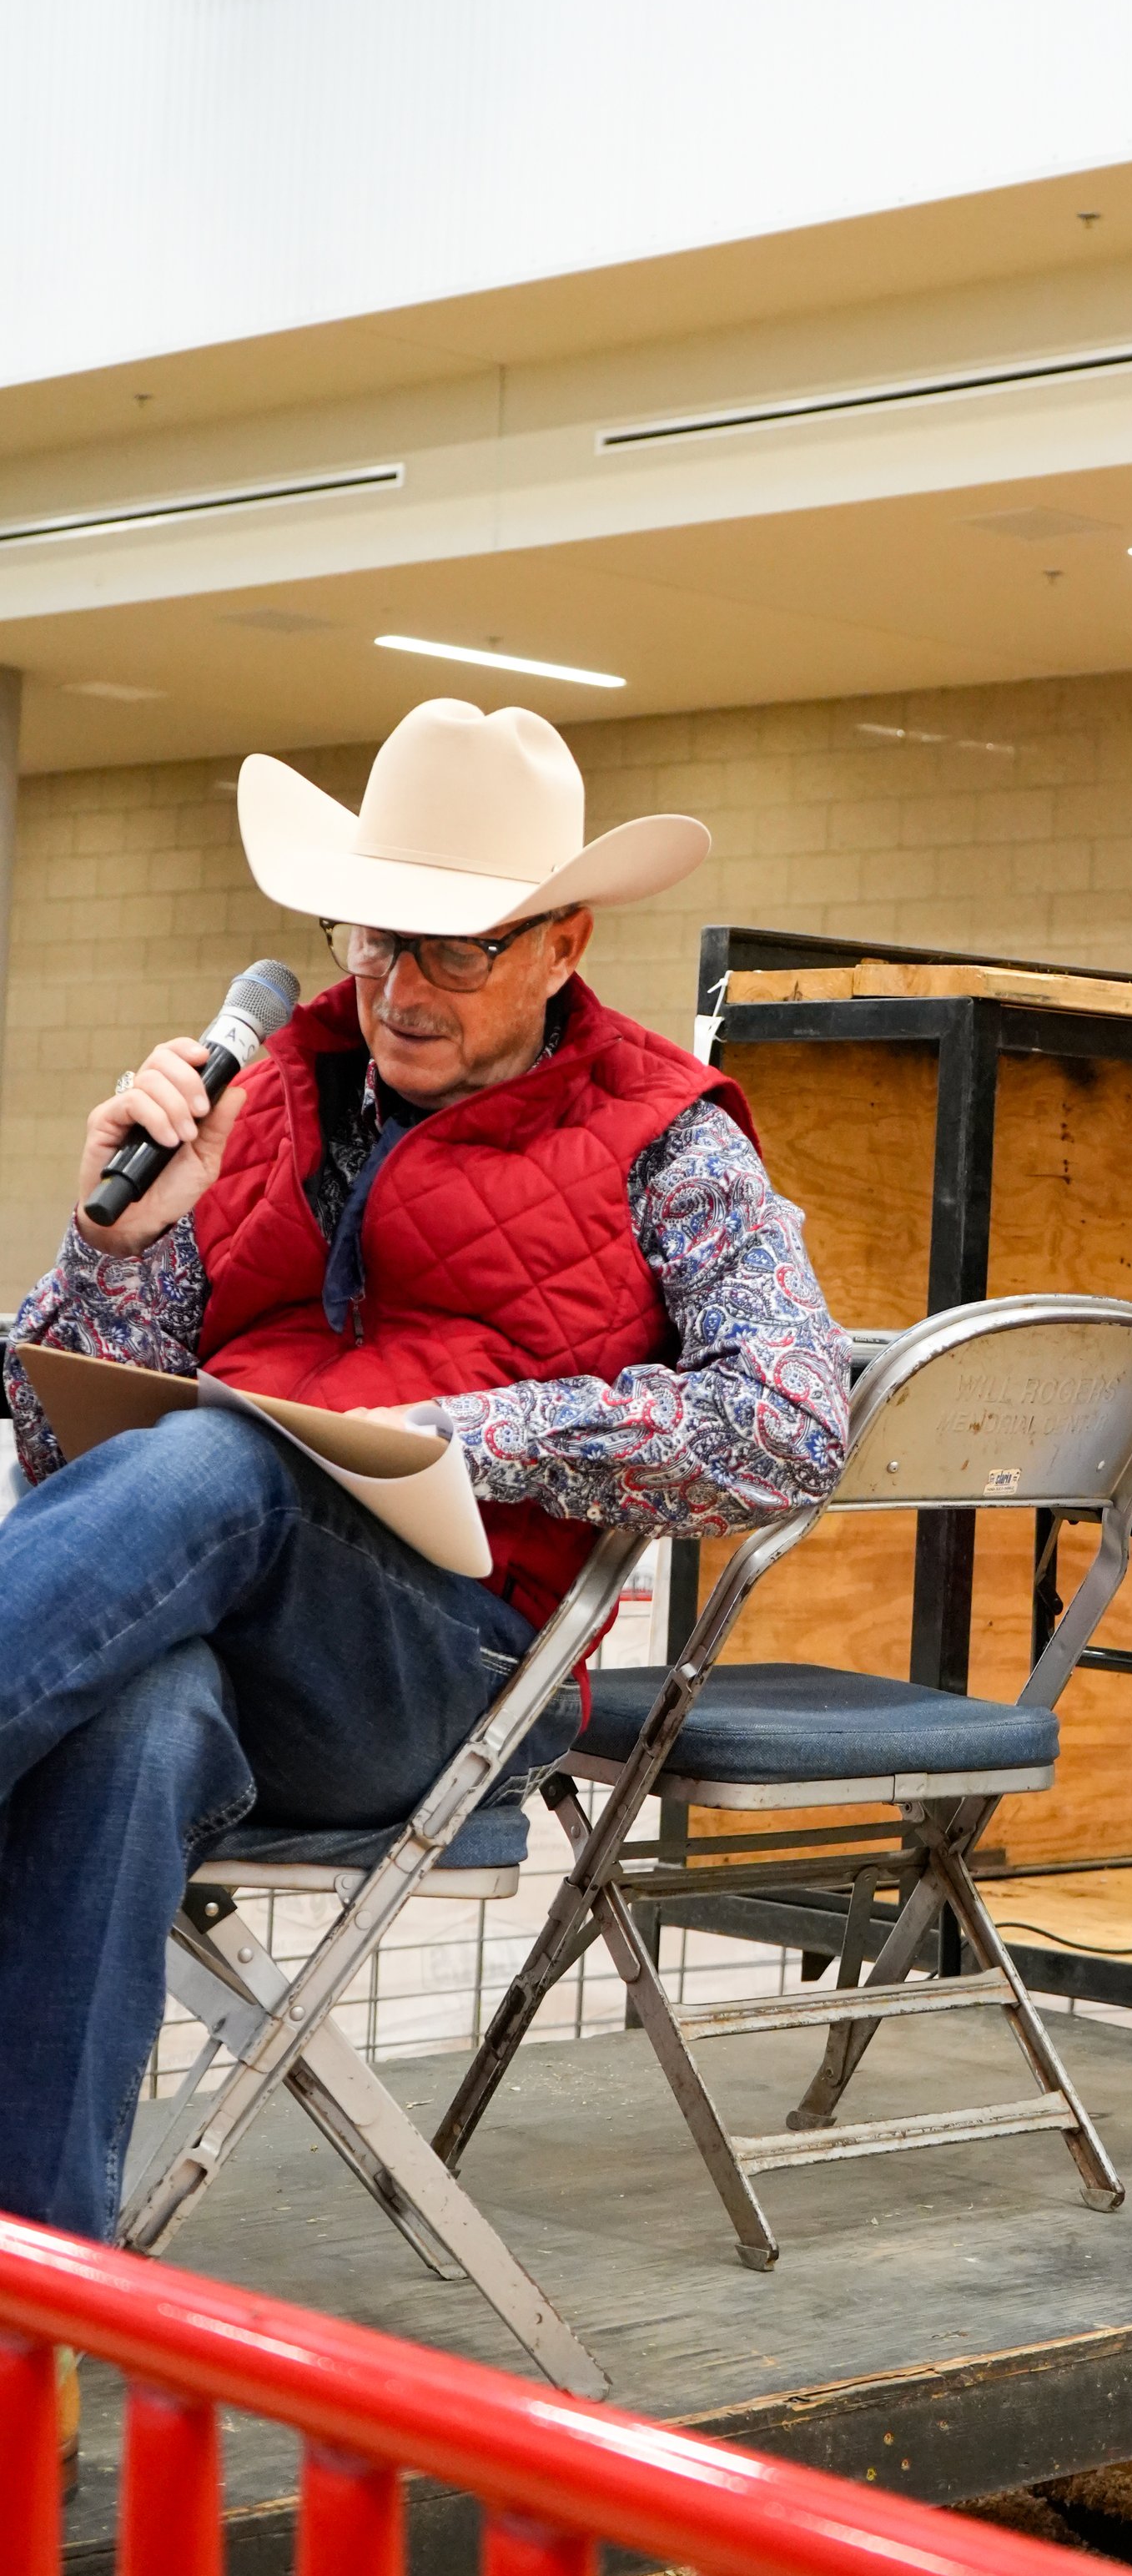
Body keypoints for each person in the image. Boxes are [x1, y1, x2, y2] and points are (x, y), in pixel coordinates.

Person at [0, 698, 850, 2243]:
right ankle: (30, 2341)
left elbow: (793, 1420)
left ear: (565, 941)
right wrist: (115, 1246)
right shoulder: (255, 1094)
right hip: (202, 1619)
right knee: (124, 1721)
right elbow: (67, 1459)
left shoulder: (672, 1138)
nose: (395, 989)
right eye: (373, 938)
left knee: (236, 1453)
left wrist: (461, 1437)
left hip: (438, 1666)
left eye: (454, 949)